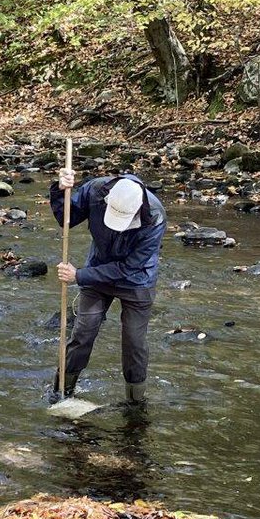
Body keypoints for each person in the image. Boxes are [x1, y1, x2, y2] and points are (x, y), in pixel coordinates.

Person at [49, 166, 167, 404]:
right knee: (83, 332)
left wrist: (79, 275)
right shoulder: (95, 191)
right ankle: (61, 392)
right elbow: (66, 218)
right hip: (97, 270)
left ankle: (135, 405)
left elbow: (127, 268)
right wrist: (60, 189)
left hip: (136, 280)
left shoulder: (154, 217)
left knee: (134, 342)